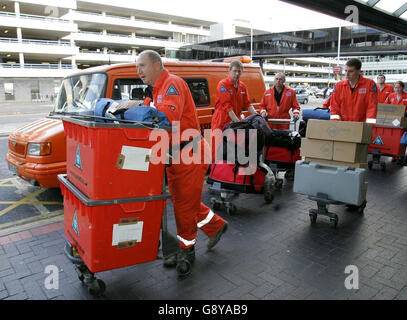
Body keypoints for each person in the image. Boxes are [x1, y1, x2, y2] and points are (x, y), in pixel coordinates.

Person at [135, 50, 228, 273]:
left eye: (142, 66)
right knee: (185, 202)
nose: (138, 71)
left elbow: (169, 117)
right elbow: (150, 114)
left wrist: (144, 111)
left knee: (183, 208)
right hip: (178, 156)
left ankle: (186, 252)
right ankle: (216, 226)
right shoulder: (156, 90)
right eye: (137, 66)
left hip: (190, 154)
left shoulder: (172, 84)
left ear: (157, 65)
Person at [211, 60, 258, 132]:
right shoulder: (223, 84)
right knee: (220, 143)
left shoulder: (242, 86)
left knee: (239, 143)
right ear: (229, 71)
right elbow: (227, 106)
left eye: (239, 71)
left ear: (242, 72)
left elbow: (247, 104)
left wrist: (256, 115)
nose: (237, 74)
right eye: (235, 71)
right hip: (222, 123)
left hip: (235, 121)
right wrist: (238, 123)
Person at [330, 58, 378, 124]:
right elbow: (334, 107)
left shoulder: (369, 84)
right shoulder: (338, 86)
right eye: (346, 71)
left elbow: (372, 107)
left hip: (362, 125)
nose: (347, 74)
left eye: (351, 71)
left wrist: (369, 127)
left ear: (358, 71)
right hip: (343, 126)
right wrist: (336, 124)